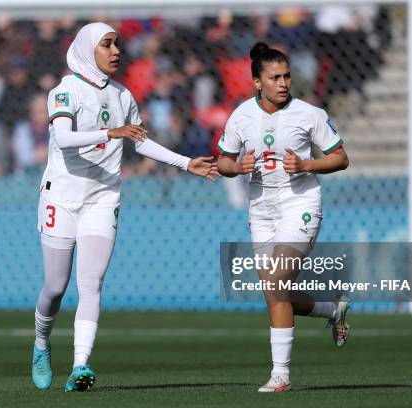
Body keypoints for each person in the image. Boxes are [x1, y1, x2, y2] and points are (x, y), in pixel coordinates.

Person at [31, 22, 217, 393]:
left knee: (92, 283)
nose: (116, 51)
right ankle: (40, 345)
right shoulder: (64, 92)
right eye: (107, 44)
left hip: (103, 197)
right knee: (55, 286)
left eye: (117, 44)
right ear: (87, 50)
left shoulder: (122, 96)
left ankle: (80, 365)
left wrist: (185, 162)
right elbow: (64, 139)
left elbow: (141, 141)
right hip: (61, 197)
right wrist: (110, 133)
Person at [216, 42, 349, 393]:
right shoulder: (241, 116)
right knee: (276, 292)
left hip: (299, 201)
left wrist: (307, 164)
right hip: (261, 207)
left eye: (287, 75)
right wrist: (236, 167)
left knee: (276, 281)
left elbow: (340, 158)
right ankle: (332, 308)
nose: (283, 83)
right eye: (274, 77)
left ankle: (281, 376)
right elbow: (223, 162)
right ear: (257, 81)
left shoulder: (309, 114)